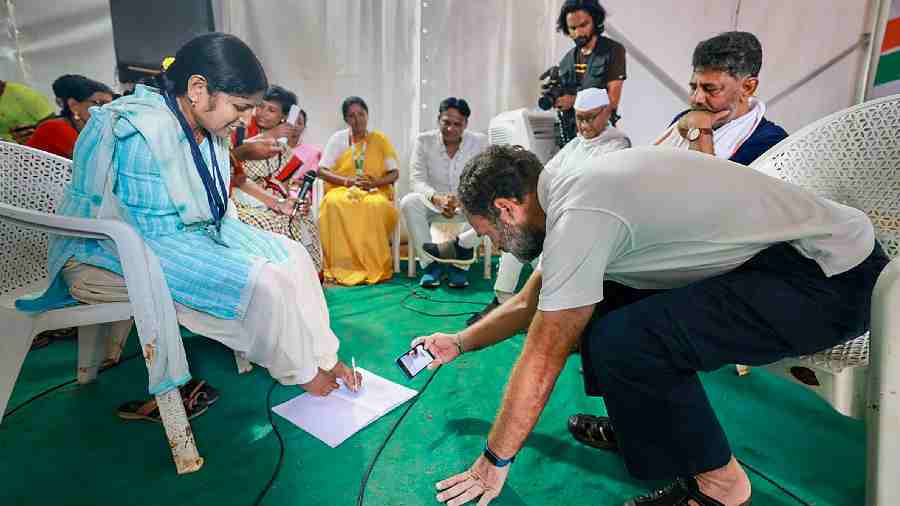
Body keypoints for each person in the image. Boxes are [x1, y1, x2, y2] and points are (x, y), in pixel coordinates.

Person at [414, 145, 887, 505]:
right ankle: (647, 429)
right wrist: (458, 341)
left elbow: (543, 353)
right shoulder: (563, 183)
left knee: (625, 341)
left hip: (830, 280)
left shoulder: (579, 216)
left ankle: (722, 487)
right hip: (785, 258)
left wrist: (493, 463)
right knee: (606, 306)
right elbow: (527, 303)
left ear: (505, 208)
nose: (496, 245)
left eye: (490, 233)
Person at [19, 33, 361, 423]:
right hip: (126, 244)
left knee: (295, 256)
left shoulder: (206, 125)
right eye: (239, 107)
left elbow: (207, 202)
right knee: (266, 285)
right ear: (198, 89)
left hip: (198, 232)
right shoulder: (131, 127)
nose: (245, 119)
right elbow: (115, 218)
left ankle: (323, 357)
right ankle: (301, 372)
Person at [424, 88, 629, 324]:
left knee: (516, 229)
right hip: (556, 207)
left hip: (581, 221)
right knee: (512, 224)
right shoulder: (578, 143)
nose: (583, 125)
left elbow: (590, 187)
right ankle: (493, 287)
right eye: (579, 118)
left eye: (589, 117)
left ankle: (466, 249)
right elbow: (547, 173)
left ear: (607, 112)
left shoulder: (617, 146)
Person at [654, 31, 787, 166]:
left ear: (747, 87)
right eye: (694, 87)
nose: (697, 99)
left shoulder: (772, 142)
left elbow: (704, 184)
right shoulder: (685, 118)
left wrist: (700, 131)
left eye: (711, 89)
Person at [229, 85, 322, 272]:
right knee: (265, 222)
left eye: (271, 110)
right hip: (242, 196)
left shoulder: (283, 150)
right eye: (261, 106)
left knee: (304, 219)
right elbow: (233, 162)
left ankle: (300, 279)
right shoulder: (239, 132)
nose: (262, 113)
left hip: (275, 199)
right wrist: (270, 135)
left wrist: (298, 198)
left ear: (283, 118)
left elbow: (290, 184)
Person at [399, 97, 487, 289]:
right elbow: (417, 179)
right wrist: (436, 198)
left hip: (465, 203)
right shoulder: (424, 141)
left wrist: (463, 200)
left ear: (466, 124)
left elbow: (483, 179)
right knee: (409, 202)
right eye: (446, 122)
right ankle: (431, 265)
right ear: (439, 119)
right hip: (433, 202)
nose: (451, 128)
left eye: (458, 124)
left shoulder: (478, 142)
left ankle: (459, 264)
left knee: (488, 206)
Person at [318, 96, 400, 285]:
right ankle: (345, 266)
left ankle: (373, 265)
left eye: (361, 114)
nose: (358, 120)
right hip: (342, 188)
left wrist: (374, 183)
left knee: (376, 205)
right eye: (352, 116)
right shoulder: (338, 139)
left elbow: (394, 174)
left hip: (373, 190)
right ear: (346, 119)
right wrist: (347, 181)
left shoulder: (379, 140)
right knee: (333, 203)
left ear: (367, 115)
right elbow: (321, 170)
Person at [551, 0, 626, 146]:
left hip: (600, 138)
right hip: (570, 138)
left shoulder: (612, 50)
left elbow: (613, 100)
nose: (578, 32)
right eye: (572, 28)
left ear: (595, 21)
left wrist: (572, 101)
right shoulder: (566, 60)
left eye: (583, 25)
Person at [25, 75, 115, 159]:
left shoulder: (88, 128)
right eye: (100, 103)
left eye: (111, 105)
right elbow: (96, 161)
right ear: (74, 105)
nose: (107, 110)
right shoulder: (54, 127)